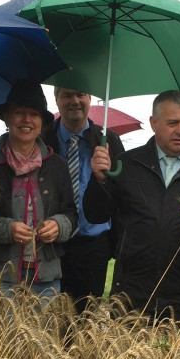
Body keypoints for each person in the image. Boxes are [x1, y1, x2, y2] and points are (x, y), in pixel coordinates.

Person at [84, 90, 180, 324]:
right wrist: (100, 180)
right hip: (130, 294)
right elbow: (96, 214)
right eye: (172, 123)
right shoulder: (127, 164)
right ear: (154, 123)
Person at [0, 80, 77, 300]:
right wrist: (7, 229)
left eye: (34, 114)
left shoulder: (56, 165)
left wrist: (59, 225)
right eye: (19, 112)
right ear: (7, 118)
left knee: (42, 335)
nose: (27, 120)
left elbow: (71, 215)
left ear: (41, 122)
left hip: (45, 278)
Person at [41, 87, 125, 311]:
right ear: (56, 100)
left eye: (81, 94)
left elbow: (121, 195)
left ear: (90, 98)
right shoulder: (43, 138)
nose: (75, 101)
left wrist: (104, 179)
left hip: (92, 249)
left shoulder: (109, 141)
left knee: (84, 325)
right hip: (50, 244)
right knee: (46, 318)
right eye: (67, 95)